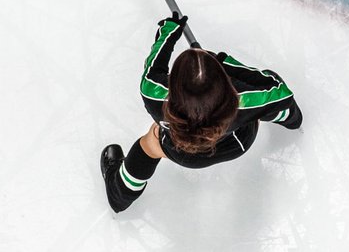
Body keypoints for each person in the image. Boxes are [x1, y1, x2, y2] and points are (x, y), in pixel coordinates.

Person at [99, 14, 302, 213]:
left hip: (181, 151)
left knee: (149, 145)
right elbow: (280, 92)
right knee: (265, 101)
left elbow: (153, 66)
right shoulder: (242, 100)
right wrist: (225, 63)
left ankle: (119, 194)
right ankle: (290, 119)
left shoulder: (155, 95)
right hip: (236, 143)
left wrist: (169, 30)